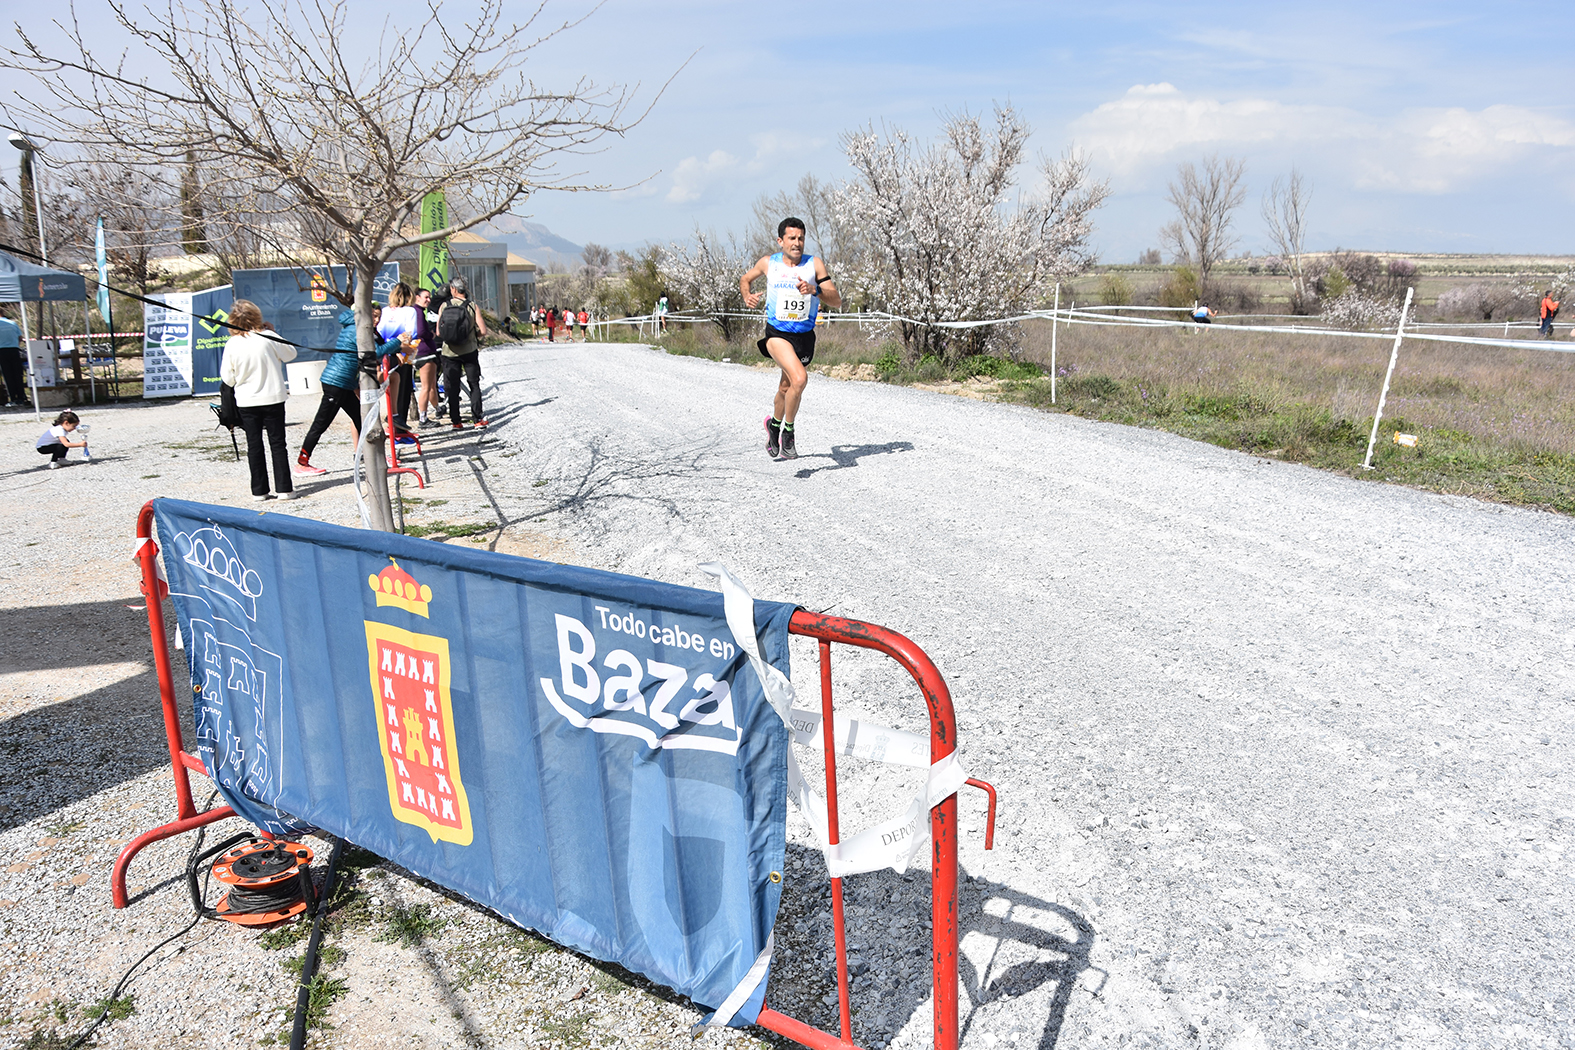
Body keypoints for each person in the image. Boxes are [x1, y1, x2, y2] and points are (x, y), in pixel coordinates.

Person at [739, 216, 841, 461]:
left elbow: (836, 300)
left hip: (804, 337)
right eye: (792, 238)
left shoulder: (814, 265)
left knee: (786, 387)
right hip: (777, 334)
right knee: (800, 378)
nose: (797, 243)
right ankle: (788, 434)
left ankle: (773, 425)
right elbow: (745, 279)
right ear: (780, 241)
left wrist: (815, 289)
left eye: (801, 238)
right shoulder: (769, 263)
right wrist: (747, 296)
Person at [298, 305, 404, 474]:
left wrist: (397, 348)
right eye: (374, 316)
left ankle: (376, 456)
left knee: (362, 420)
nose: (376, 320)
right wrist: (398, 341)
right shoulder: (357, 329)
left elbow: (379, 344)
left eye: (379, 316)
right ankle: (302, 463)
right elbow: (375, 352)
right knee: (321, 423)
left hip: (344, 383)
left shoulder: (361, 327)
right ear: (365, 314)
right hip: (337, 382)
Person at [220, 299, 296, 500]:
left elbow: (227, 378)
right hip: (273, 397)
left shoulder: (232, 343)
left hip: (247, 400)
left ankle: (259, 491)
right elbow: (291, 354)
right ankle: (284, 489)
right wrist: (272, 331)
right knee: (278, 444)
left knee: (254, 445)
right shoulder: (268, 337)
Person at [438, 275, 488, 429]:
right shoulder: (472, 306)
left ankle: (456, 422)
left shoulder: (444, 306)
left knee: (452, 387)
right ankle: (477, 419)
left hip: (449, 352)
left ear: (453, 289)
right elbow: (483, 331)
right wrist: (472, 336)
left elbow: (439, 332)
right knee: (474, 384)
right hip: (469, 351)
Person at [377, 283, 420, 436]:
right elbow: (410, 333)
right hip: (402, 351)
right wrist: (401, 349)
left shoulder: (385, 311)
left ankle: (394, 426)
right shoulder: (410, 311)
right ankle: (399, 429)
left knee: (391, 390)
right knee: (403, 391)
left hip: (386, 352)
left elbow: (380, 333)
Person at [411, 287, 441, 426]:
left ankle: (438, 408)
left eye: (429, 297)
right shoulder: (417, 312)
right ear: (417, 298)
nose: (428, 300)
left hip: (423, 352)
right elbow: (421, 331)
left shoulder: (417, 312)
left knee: (432, 384)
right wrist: (431, 335)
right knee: (426, 387)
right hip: (424, 353)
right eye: (426, 297)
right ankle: (423, 418)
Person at [0, 310, 26, 407]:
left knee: (8, 376)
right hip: (14, 350)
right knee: (18, 374)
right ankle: (21, 397)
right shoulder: (13, 323)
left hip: (2, 351)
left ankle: (13, 398)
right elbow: (20, 338)